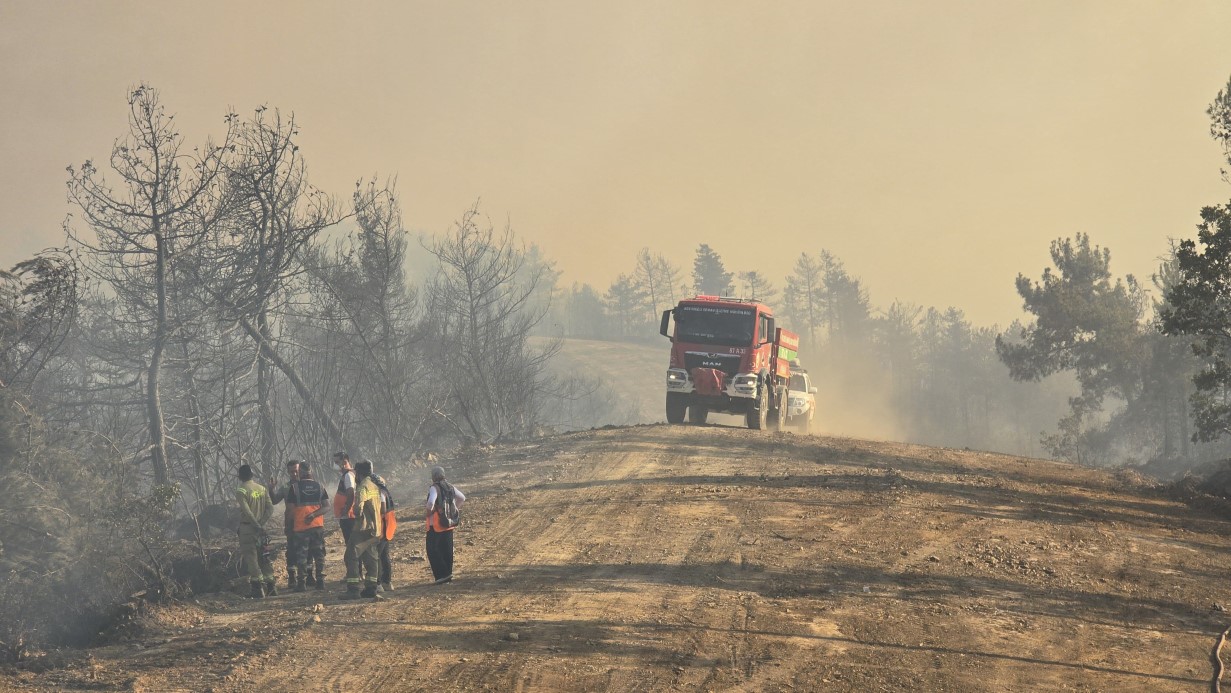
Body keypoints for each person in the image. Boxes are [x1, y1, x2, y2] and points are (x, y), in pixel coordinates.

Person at [342, 460, 383, 599]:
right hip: (375, 528)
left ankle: (353, 589)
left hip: (363, 528)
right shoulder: (374, 486)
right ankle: (371, 588)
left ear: (359, 473)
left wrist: (355, 513)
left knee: (350, 556)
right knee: (371, 558)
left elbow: (358, 508)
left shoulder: (362, 487)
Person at [287, 462, 329, 592]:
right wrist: (314, 514)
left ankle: (301, 584)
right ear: (311, 472)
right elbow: (327, 506)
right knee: (319, 554)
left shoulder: (294, 488)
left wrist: (289, 526)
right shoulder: (320, 486)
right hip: (317, 526)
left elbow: (290, 511)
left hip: (300, 528)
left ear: (300, 473)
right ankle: (320, 582)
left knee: (302, 556)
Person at [236, 464, 276, 598]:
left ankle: (258, 589)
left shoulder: (241, 490)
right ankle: (271, 587)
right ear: (252, 475)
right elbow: (270, 508)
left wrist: (256, 525)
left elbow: (247, 512)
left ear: (240, 476)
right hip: (262, 529)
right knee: (264, 557)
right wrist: (261, 524)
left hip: (248, 529)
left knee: (251, 557)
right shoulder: (262, 489)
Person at [425, 465, 465, 584]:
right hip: (448, 523)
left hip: (435, 525)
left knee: (433, 550)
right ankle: (448, 574)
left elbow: (430, 503)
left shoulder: (434, 488)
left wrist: (429, 512)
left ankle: (441, 575)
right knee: (447, 549)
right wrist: (454, 510)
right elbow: (462, 498)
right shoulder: (450, 487)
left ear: (433, 477)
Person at [268, 459, 301, 590]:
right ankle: (292, 577)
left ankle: (308, 576)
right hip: (291, 522)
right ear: (288, 472)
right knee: (291, 549)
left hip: (306, 522)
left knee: (308, 549)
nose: (294, 474)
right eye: (292, 472)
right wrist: (271, 490)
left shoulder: (306, 484)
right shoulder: (286, 487)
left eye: (296, 471)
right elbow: (275, 500)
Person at [369, 468, 397, 592]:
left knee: (377, 556)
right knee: (384, 555)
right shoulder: (386, 491)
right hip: (388, 527)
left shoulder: (379, 492)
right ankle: (387, 582)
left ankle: (378, 584)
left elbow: (382, 509)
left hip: (381, 528)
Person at [332, 451, 356, 546]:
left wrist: (346, 509)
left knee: (351, 543)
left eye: (337, 462)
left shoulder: (348, 475)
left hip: (349, 516)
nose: (335, 465)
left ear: (344, 461)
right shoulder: (348, 474)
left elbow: (351, 493)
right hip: (348, 515)